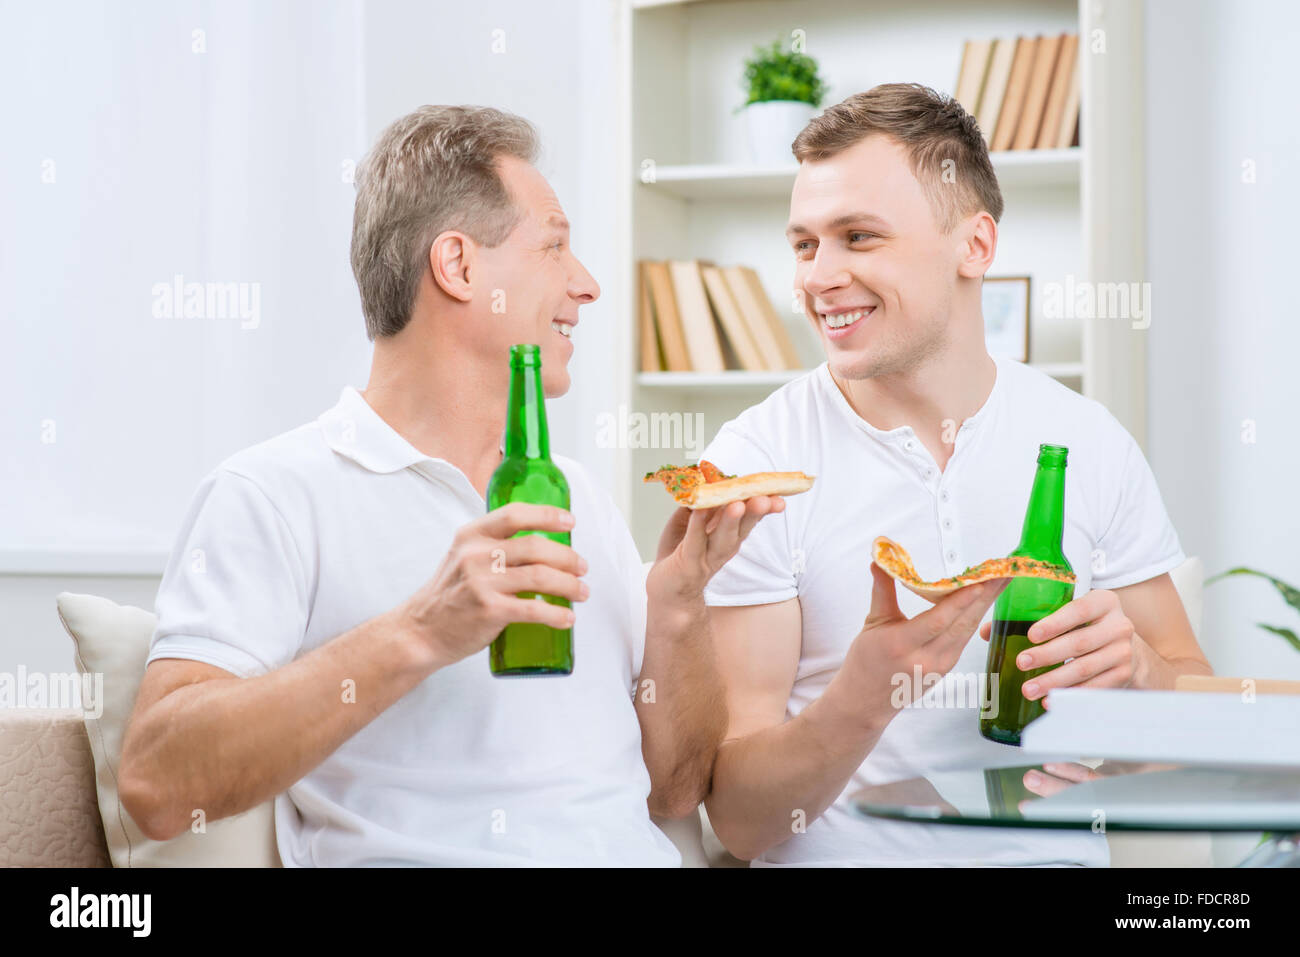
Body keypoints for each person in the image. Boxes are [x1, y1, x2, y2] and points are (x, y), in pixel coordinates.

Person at [118, 105, 782, 866]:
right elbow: (156, 784)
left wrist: (679, 607)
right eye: (555, 247)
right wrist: (424, 630)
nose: (589, 284)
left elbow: (675, 789)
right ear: (459, 266)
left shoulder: (576, 495)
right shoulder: (273, 493)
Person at [699, 84, 1212, 866]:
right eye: (804, 244)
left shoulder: (1086, 442)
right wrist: (859, 701)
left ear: (975, 246)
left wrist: (1139, 675)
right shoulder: (755, 466)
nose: (816, 276)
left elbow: (1189, 723)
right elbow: (738, 822)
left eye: (858, 237)